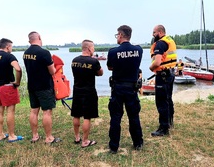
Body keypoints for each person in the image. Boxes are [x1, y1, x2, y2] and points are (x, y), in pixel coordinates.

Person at [107, 25, 143, 154]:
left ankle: (113, 146)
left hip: (117, 88)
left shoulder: (112, 52)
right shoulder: (138, 50)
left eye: (117, 35)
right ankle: (138, 143)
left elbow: (110, 67)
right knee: (133, 116)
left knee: (116, 117)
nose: (117, 37)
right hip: (132, 89)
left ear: (121, 35)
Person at [23, 31, 61, 144]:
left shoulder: (26, 53)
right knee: (47, 112)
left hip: (32, 86)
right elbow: (52, 71)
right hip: (44, 86)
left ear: (29, 40)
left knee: (34, 111)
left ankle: (35, 136)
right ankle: (49, 137)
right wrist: (55, 67)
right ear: (39, 38)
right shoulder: (44, 52)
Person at [71, 39, 103, 148]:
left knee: (76, 114)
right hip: (89, 92)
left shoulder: (74, 60)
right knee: (87, 117)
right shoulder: (93, 61)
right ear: (89, 48)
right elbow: (100, 73)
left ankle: (77, 137)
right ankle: (85, 141)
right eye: (93, 48)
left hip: (77, 90)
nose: (94, 50)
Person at [149, 25, 177, 136]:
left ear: (160, 32)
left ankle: (163, 128)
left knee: (161, 102)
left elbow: (157, 62)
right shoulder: (169, 40)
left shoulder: (160, 43)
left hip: (163, 75)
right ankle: (169, 122)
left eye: (154, 32)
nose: (153, 34)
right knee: (168, 99)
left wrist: (151, 68)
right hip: (170, 73)